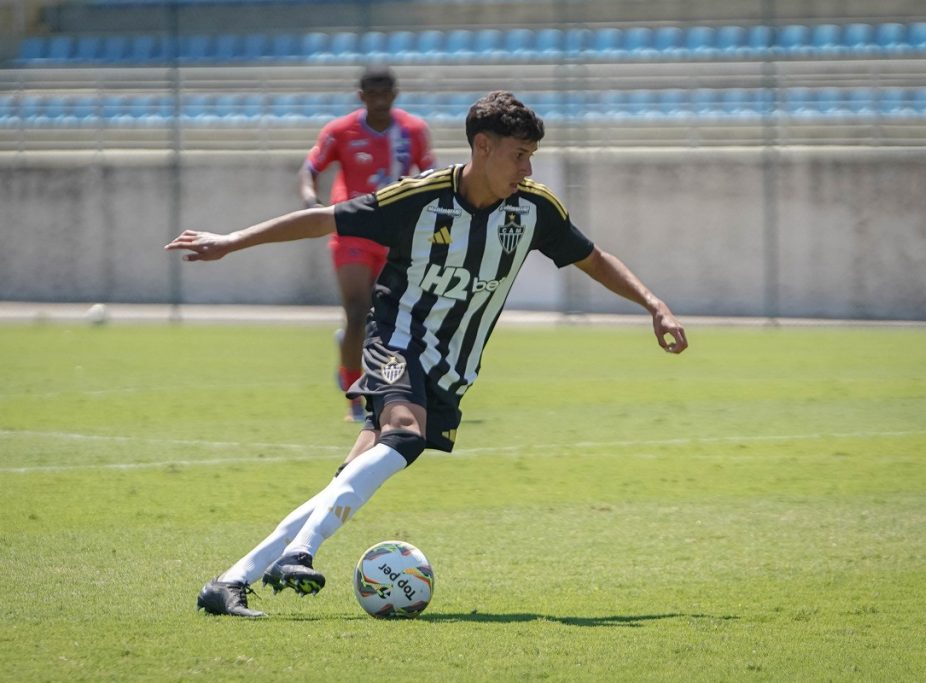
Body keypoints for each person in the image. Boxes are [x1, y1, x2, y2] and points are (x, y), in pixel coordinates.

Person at [166, 91, 688, 618]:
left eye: (531, 156)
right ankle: (299, 553)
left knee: (352, 476)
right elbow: (325, 219)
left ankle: (231, 580)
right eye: (518, 155)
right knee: (405, 434)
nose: (527, 169)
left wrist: (654, 304)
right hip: (395, 337)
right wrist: (231, 241)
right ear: (483, 147)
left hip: (451, 368)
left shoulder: (533, 210)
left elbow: (592, 259)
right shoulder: (419, 199)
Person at [300, 65, 437, 422]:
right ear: (361, 97)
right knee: (358, 309)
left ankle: (383, 376)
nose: (378, 100)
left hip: (395, 233)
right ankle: (353, 398)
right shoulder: (340, 131)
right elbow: (310, 168)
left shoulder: (413, 131)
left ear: (395, 94)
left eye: (384, 93)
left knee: (389, 317)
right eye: (371, 94)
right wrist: (310, 198)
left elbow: (429, 175)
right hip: (352, 229)